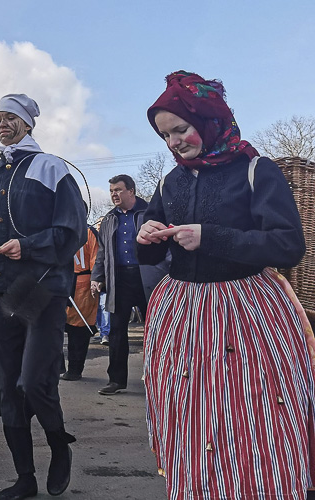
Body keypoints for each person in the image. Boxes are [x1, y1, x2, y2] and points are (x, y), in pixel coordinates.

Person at [138, 70, 313, 500]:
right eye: (165, 136)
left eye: (181, 128)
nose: (174, 142)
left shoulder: (257, 171)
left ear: (210, 117)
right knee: (191, 417)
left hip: (247, 313)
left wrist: (211, 237)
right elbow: (155, 253)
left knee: (252, 417)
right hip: (181, 316)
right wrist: (146, 235)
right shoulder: (170, 181)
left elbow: (289, 245)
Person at [0, 94, 87, 499]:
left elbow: (73, 229)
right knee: (2, 388)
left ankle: (58, 447)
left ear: (27, 123)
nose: (2, 124)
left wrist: (29, 246)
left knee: (34, 382)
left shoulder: (51, 167)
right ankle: (25, 477)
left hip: (39, 287)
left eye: (9, 118)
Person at [91, 174, 167, 395]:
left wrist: (166, 271)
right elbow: (102, 252)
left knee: (155, 330)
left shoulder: (150, 213)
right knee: (116, 331)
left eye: (118, 190)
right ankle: (116, 380)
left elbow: (166, 245)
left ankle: (159, 377)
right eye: (112, 191)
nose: (114, 194)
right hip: (119, 279)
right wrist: (98, 277)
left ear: (131, 191)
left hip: (148, 278)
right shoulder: (108, 219)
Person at [61, 224, 99, 381]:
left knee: (79, 331)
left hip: (83, 285)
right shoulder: (59, 230)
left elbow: (96, 258)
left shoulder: (89, 232)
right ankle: (57, 367)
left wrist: (96, 280)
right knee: (53, 326)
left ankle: (75, 369)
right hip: (61, 282)